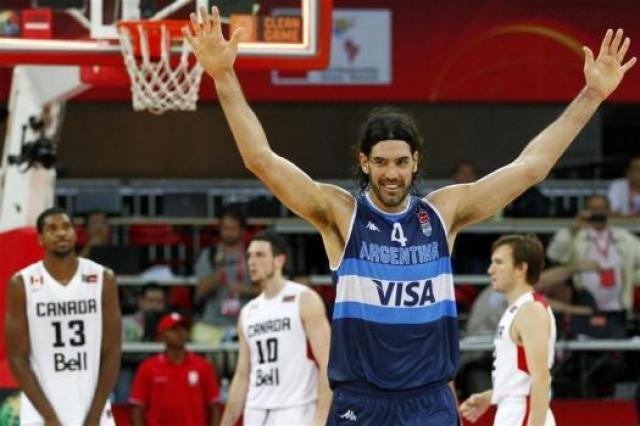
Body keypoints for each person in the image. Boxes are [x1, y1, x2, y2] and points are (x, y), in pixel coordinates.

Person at [185, 9, 635, 423]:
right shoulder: (340, 213)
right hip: (361, 400)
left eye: (401, 162)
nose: (391, 173)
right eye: (381, 162)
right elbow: (260, 159)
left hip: (429, 399)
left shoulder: (443, 213)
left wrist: (592, 94)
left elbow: (531, 167)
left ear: (415, 162)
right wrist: (223, 75)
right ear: (364, 163)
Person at [5, 206, 121, 425]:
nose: (61, 233)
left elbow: (113, 351)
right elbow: (17, 357)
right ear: (40, 239)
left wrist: (94, 415)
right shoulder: (22, 283)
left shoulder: (102, 278)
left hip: (92, 406)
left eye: (66, 227)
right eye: (52, 228)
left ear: (75, 234)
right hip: (41, 412)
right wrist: (49, 418)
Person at [220, 231, 331, 426]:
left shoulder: (304, 299)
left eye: (260, 255)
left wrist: (321, 418)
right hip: (256, 409)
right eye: (249, 256)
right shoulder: (248, 312)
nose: (252, 262)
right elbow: (242, 375)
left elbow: (327, 363)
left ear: (279, 260)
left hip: (296, 408)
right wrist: (226, 422)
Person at [460, 234, 557, 426]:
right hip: (514, 410)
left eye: (499, 262)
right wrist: (492, 396)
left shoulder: (530, 310)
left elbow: (541, 379)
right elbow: (519, 377)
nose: (490, 269)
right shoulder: (517, 309)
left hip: (524, 413)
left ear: (521, 269)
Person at [546, 194, 640, 326]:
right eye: (593, 209)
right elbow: (554, 254)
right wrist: (573, 228)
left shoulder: (623, 237)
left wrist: (633, 277)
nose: (597, 213)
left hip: (618, 309)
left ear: (609, 211)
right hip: (583, 308)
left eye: (601, 208)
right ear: (585, 211)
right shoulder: (576, 236)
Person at [129, 312, 220, 426]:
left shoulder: (203, 366)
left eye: (184, 329)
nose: (180, 333)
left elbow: (214, 406)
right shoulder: (147, 368)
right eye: (174, 329)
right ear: (162, 335)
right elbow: (137, 407)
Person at [192, 207, 259, 344]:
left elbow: (266, 290)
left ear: (242, 230)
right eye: (225, 228)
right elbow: (200, 292)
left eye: (233, 229)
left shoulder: (253, 255)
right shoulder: (209, 254)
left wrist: (245, 290)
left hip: (247, 325)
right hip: (213, 325)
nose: (229, 233)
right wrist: (217, 274)